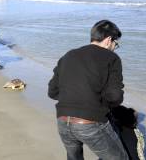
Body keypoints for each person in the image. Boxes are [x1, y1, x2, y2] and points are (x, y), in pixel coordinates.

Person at [48, 20, 128, 160]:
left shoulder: (68, 55)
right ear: (109, 40)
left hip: (62, 120)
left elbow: (52, 91)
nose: (115, 47)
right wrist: (96, 102)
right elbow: (115, 97)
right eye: (116, 44)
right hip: (90, 122)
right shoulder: (111, 58)